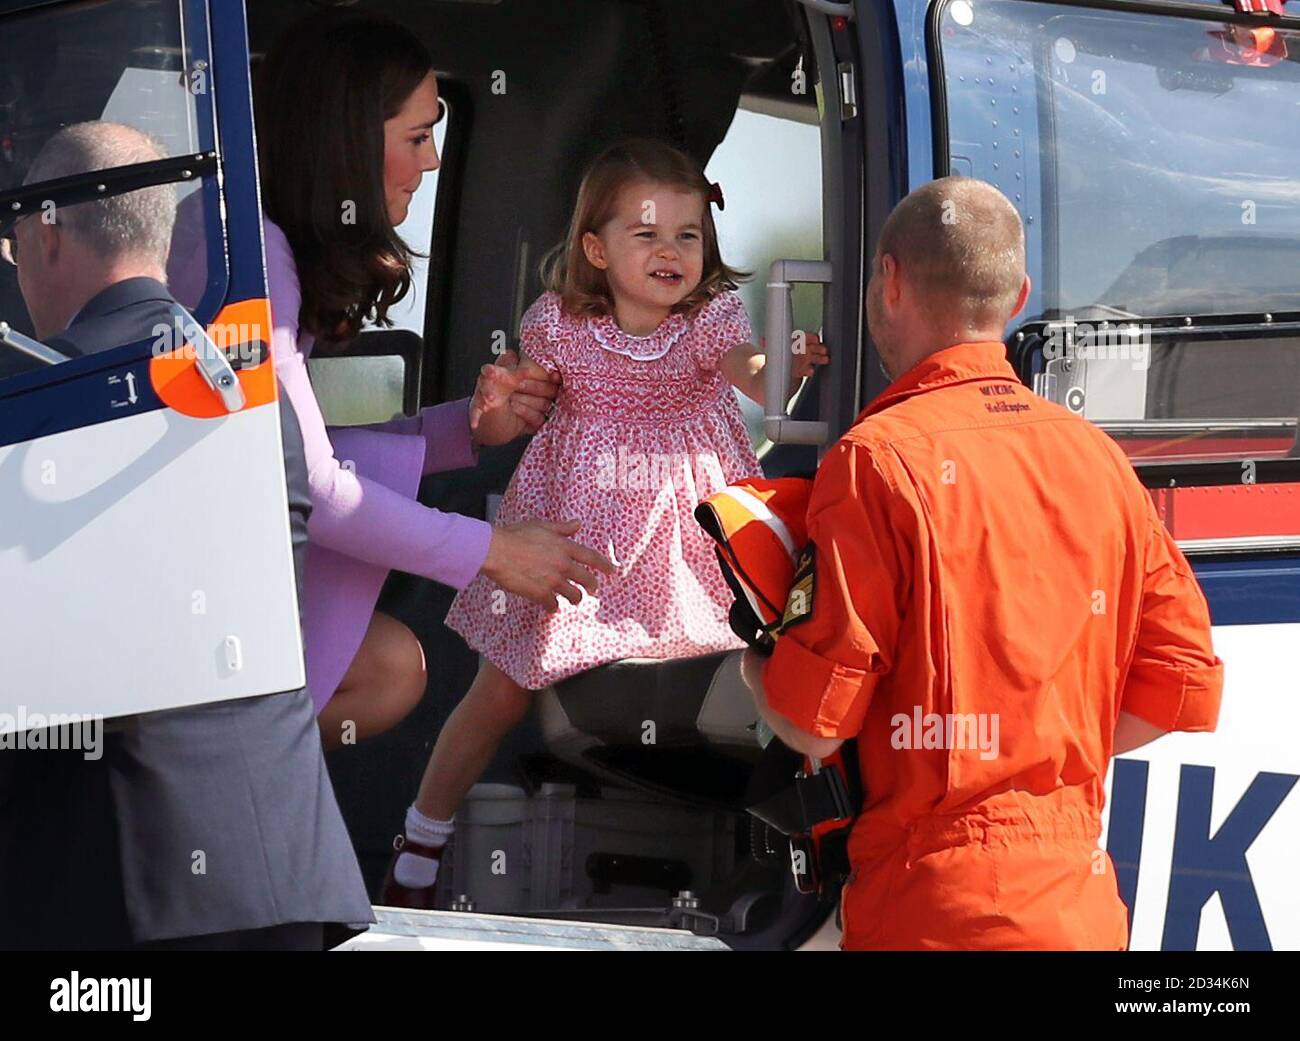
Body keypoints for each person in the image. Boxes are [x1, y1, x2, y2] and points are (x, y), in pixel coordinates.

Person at [740, 176, 1225, 951]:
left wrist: (753, 665)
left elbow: (812, 724)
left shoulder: (874, 462)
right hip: (1081, 914)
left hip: (930, 916)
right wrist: (1029, 748)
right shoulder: (1099, 460)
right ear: (1020, 293)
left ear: (890, 281)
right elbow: (1176, 684)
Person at [382, 138, 830, 906]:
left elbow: (750, 372)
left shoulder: (708, 320)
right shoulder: (560, 324)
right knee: (500, 689)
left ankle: (808, 840)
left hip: (684, 540)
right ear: (595, 247)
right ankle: (422, 835)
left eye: (688, 236)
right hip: (579, 541)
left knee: (765, 663)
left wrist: (785, 366)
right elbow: (522, 400)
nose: (671, 251)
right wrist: (498, 401)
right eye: (647, 234)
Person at [0, 121, 374, 950]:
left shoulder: (41, 403)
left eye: (15, 233)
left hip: (121, 885)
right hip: (279, 872)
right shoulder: (246, 390)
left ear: (50, 228)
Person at [256, 9, 615, 750]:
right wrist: (494, 551)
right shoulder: (259, 262)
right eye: (418, 138)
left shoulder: (271, 253)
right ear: (349, 143)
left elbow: (292, 454)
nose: (433, 162)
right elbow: (307, 486)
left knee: (391, 667)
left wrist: (469, 428)